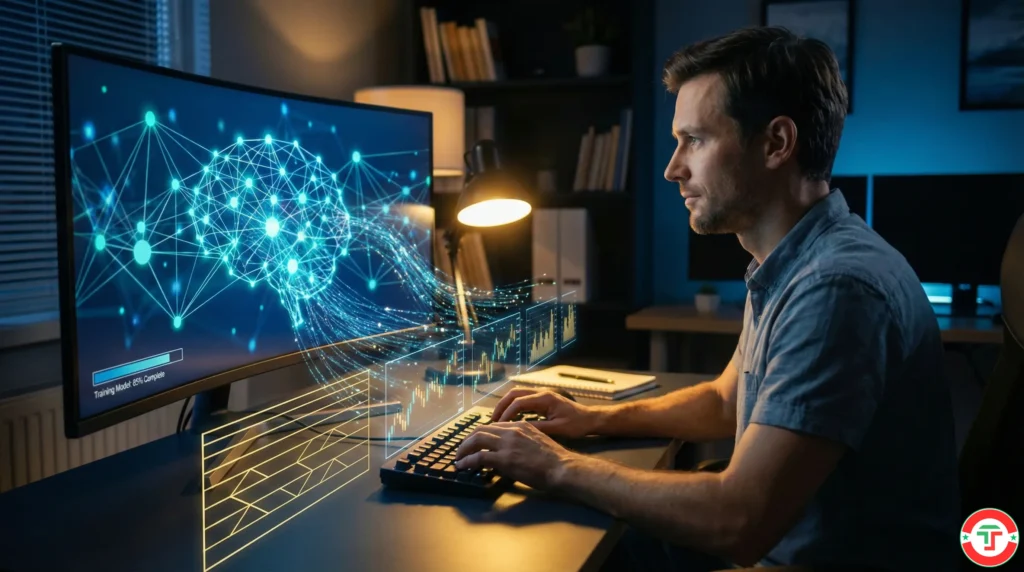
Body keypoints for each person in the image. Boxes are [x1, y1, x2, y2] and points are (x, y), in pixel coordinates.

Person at [455, 26, 960, 570]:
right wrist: (591, 419)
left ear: (776, 144)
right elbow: (725, 400)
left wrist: (556, 467)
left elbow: (739, 522)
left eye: (693, 140)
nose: (673, 168)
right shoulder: (791, 259)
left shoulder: (835, 288)